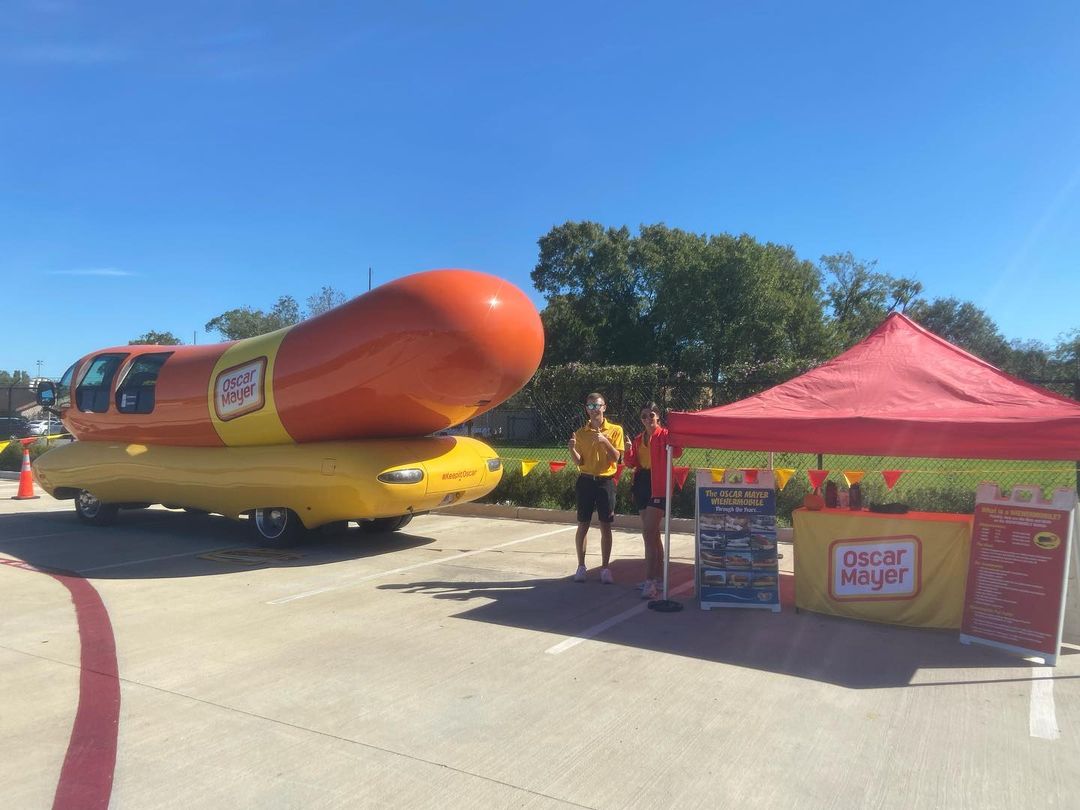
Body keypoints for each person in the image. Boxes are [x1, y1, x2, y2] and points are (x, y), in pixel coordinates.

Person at [625, 402, 682, 599]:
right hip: (642, 483)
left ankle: (650, 582)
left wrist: (673, 438)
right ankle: (657, 577)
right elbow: (631, 463)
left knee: (648, 532)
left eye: (651, 415)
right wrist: (627, 449)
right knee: (653, 534)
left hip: (659, 485)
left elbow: (677, 452)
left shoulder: (665, 435)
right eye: (644, 416)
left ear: (658, 417)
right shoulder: (639, 438)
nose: (648, 419)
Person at [567, 392, 624, 584]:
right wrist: (572, 449)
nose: (593, 410)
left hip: (605, 482)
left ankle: (605, 568)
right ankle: (581, 566)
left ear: (604, 407)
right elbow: (579, 461)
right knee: (583, 524)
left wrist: (605, 441)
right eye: (590, 406)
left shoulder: (615, 430)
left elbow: (617, 458)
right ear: (586, 409)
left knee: (605, 525)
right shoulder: (581, 433)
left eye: (597, 405)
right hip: (585, 480)